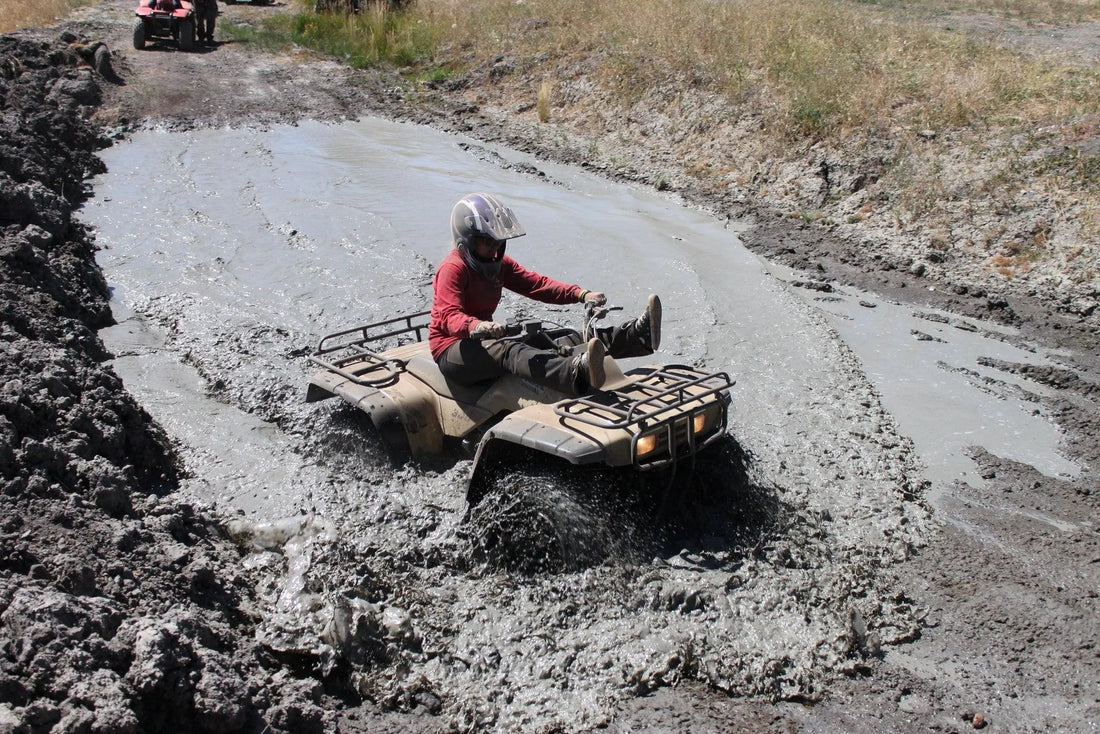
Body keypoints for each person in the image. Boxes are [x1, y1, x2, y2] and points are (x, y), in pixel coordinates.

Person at [429, 193, 661, 396]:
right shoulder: (453, 268)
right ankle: (577, 372)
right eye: (487, 242)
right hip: (452, 349)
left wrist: (580, 294)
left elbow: (536, 284)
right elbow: (449, 317)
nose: (495, 249)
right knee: (509, 349)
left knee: (560, 337)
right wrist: (478, 326)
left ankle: (636, 337)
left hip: (483, 337)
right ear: (466, 241)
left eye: (498, 242)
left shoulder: (498, 264)